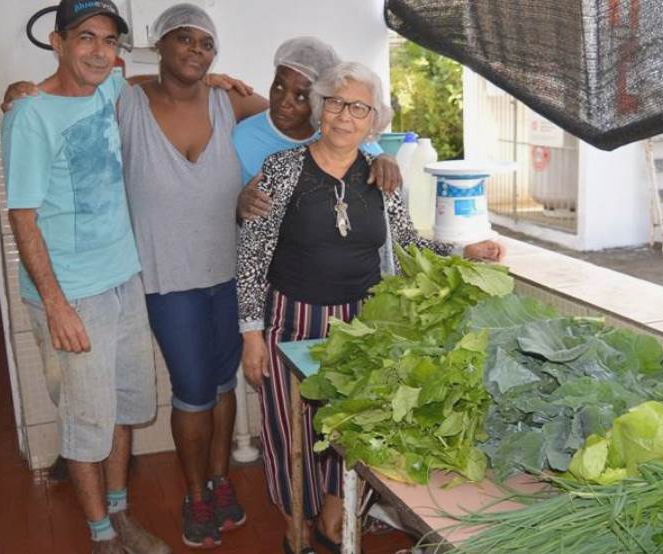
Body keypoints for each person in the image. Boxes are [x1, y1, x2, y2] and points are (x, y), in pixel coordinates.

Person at [236, 61, 504, 554]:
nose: (344, 116)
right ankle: (295, 520)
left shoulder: (385, 178)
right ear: (320, 109)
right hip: (290, 320)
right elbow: (253, 256)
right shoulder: (282, 169)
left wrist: (464, 252)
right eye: (335, 103)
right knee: (285, 428)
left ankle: (336, 516)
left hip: (361, 322)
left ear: (373, 120)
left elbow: (407, 247)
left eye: (358, 107)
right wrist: (252, 334)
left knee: (353, 423)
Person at [1, 2, 168, 553]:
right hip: (73, 294)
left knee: (123, 406)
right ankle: (101, 537)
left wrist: (212, 76)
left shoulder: (107, 89)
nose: (100, 51)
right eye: (86, 38)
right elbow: (22, 216)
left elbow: (138, 77)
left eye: (110, 41)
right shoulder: (29, 116)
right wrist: (55, 304)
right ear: (58, 42)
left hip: (123, 277)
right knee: (85, 420)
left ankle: (120, 516)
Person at [115, 4, 268, 549]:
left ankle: (222, 482)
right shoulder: (127, 101)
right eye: (184, 41)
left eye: (205, 45)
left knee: (225, 383)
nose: (196, 52)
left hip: (230, 271)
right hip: (167, 276)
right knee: (194, 387)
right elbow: (76, 87)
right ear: (159, 44)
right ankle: (194, 491)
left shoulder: (231, 101)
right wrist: (21, 91)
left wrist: (376, 153)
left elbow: (303, 118)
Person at [233, 37, 401, 221]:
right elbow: (222, 205)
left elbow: (372, 156)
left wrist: (385, 159)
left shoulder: (334, 133)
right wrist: (239, 206)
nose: (284, 102)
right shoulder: (243, 138)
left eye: (301, 96)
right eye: (279, 87)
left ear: (320, 99)